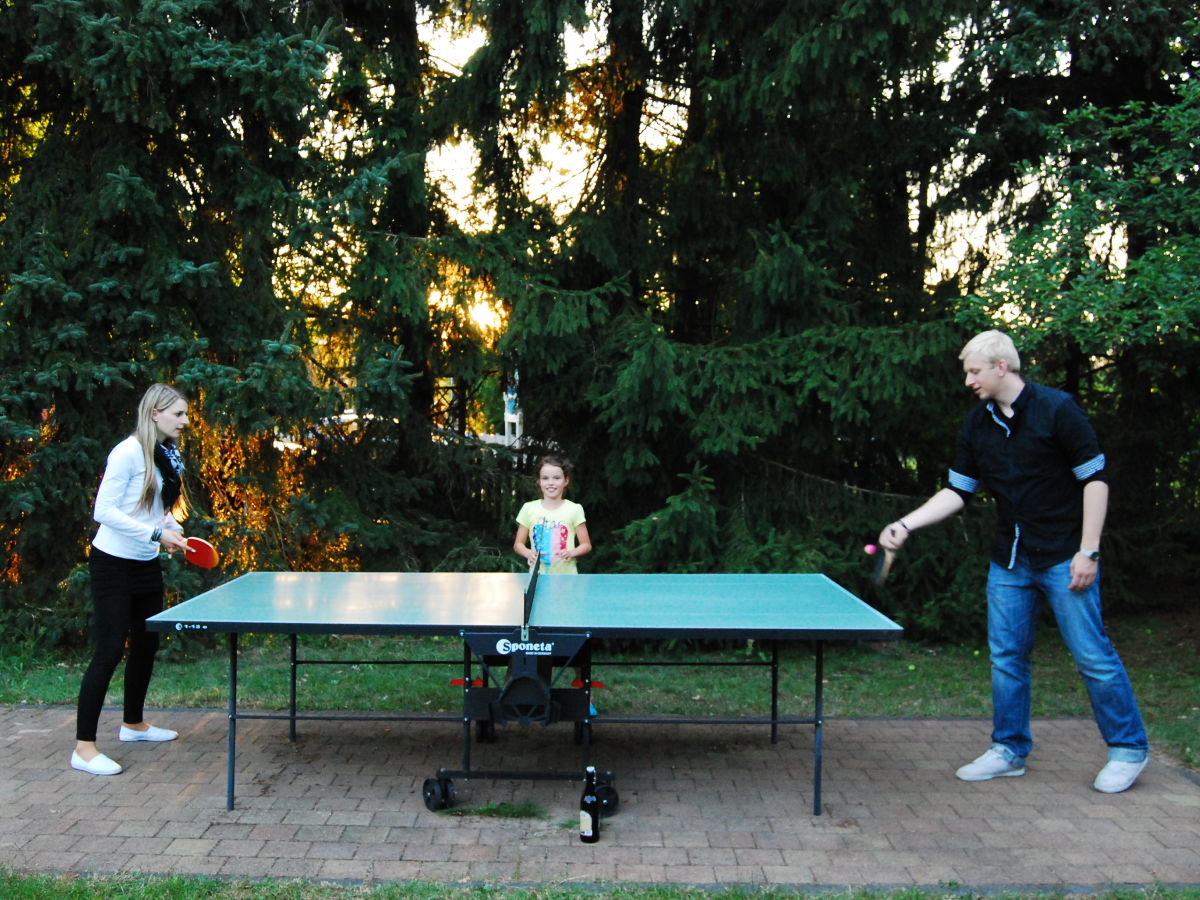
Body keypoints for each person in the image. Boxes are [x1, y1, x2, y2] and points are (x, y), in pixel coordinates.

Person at [878, 330, 1149, 794]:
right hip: (1010, 560)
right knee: (1006, 659)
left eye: (974, 371)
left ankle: (1128, 750)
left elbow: (1095, 481)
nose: (968, 380)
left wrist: (1088, 550)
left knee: (1093, 657)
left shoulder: (1058, 410)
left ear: (1001, 367)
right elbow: (958, 491)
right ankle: (1008, 751)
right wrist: (906, 524)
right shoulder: (976, 425)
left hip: (1065, 555)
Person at [72, 384, 193, 775]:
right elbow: (103, 510)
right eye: (178, 414)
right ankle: (84, 749)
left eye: (186, 414)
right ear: (154, 413)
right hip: (112, 565)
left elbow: (159, 509)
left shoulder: (166, 454)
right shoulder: (126, 452)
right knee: (109, 650)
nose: (185, 421)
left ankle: (133, 724)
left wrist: (171, 531)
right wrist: (156, 534)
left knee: (146, 644)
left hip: (145, 563)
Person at [513, 456, 591, 573]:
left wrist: (572, 552)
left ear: (566, 481)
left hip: (567, 580)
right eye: (545, 478)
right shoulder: (528, 508)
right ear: (539, 481)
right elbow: (518, 544)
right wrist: (528, 553)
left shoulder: (574, 509)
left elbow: (586, 545)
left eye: (556, 478)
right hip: (538, 579)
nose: (550, 483)